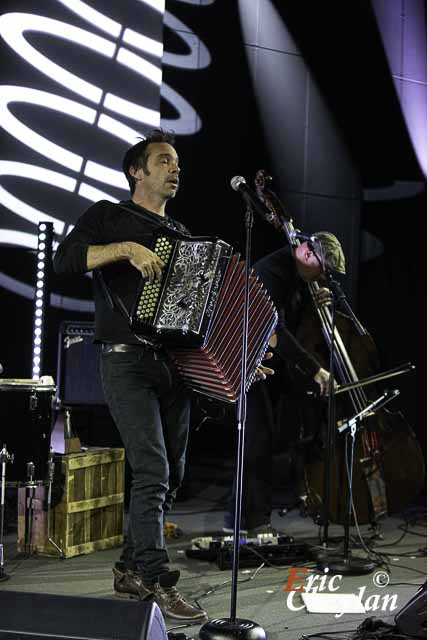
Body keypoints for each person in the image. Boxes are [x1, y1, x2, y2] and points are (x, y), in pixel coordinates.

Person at [54, 129, 208, 623]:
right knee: (153, 470)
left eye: (177, 162)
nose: (174, 168)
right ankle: (154, 581)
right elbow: (65, 259)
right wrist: (125, 249)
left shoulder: (183, 235)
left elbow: (197, 310)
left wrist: (236, 357)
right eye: (164, 161)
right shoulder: (106, 215)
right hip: (125, 359)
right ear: (136, 171)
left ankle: (127, 567)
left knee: (172, 474)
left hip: (174, 365)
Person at [223, 232, 346, 535]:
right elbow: (275, 329)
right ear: (307, 255)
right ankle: (251, 521)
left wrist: (313, 300)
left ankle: (243, 515)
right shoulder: (270, 273)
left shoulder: (297, 276)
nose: (323, 277)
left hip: (267, 363)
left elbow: (293, 323)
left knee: (268, 439)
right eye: (323, 270)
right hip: (243, 361)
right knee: (257, 439)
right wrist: (315, 369)